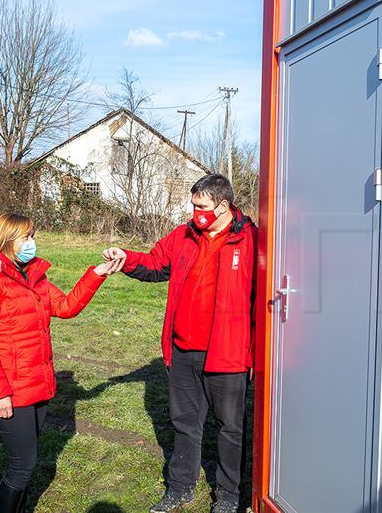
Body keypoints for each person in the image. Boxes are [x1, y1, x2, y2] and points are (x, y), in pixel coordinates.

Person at [103, 174, 257, 513]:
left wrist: (255, 355)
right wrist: (125, 258)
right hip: (184, 350)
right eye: (193, 205)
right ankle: (180, 487)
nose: (195, 212)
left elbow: (262, 301)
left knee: (230, 429)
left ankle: (229, 496)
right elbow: (155, 264)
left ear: (224, 205)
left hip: (228, 355)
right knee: (185, 423)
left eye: (201, 206)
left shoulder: (251, 240)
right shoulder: (184, 235)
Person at [0, 212, 123, 513]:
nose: (33, 242)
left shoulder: (34, 274)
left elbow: (65, 306)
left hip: (37, 382)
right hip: (11, 389)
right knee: (22, 466)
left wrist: (98, 272)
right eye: (27, 237)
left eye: (33, 235)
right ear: (8, 241)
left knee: (27, 462)